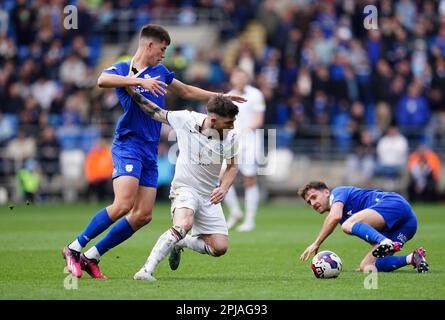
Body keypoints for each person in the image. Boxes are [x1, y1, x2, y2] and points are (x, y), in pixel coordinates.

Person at [62, 24, 245, 279]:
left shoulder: (160, 71)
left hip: (149, 148)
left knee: (143, 216)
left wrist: (219, 95)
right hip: (129, 143)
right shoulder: (123, 68)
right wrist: (138, 81)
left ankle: (92, 256)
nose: (163, 54)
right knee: (123, 204)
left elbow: (186, 90)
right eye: (162, 49)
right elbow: (102, 80)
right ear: (149, 45)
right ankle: (74, 248)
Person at [129, 93, 239, 281]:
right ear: (213, 119)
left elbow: (232, 166)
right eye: (228, 123)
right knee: (183, 224)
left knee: (219, 248)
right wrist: (131, 92)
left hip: (208, 195)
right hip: (184, 188)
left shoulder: (231, 137)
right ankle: (146, 271)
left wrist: (224, 187)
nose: (232, 126)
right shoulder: (186, 119)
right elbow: (156, 112)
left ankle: (180, 243)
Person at [298, 181, 429, 273]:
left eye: (314, 197)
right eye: (309, 202)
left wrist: (316, 243)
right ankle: (413, 258)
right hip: (408, 224)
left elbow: (335, 216)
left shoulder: (337, 193)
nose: (313, 203)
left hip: (392, 203)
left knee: (347, 225)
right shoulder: (348, 215)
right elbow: (373, 240)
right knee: (368, 266)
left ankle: (384, 241)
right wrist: (376, 249)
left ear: (326, 192)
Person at [224, 67, 266, 232]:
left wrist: (245, 130)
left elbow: (259, 120)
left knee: (249, 178)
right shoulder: (228, 96)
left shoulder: (256, 94)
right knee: (220, 176)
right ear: (232, 78)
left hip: (250, 140)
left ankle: (249, 219)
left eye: (243, 77)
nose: (240, 80)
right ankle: (235, 211)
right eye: (237, 77)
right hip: (231, 140)